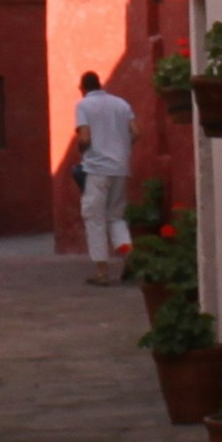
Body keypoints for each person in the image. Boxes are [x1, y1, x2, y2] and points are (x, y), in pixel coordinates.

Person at [64, 69, 137, 283]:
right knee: (116, 217)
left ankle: (102, 272)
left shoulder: (83, 105)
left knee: (94, 219)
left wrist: (82, 148)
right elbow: (137, 131)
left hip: (97, 169)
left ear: (82, 88)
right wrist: (122, 149)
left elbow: (84, 136)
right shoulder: (121, 104)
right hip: (120, 168)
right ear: (100, 84)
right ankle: (128, 254)